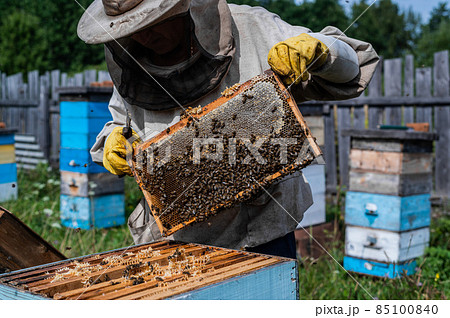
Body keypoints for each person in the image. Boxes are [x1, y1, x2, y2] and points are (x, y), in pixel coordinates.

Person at [77, 0, 379, 259]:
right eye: (132, 30)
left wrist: (323, 52)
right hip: (176, 242)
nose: (145, 37)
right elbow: (120, 123)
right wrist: (110, 144)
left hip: (262, 233)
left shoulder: (253, 27)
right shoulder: (130, 63)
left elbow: (356, 64)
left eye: (152, 23)